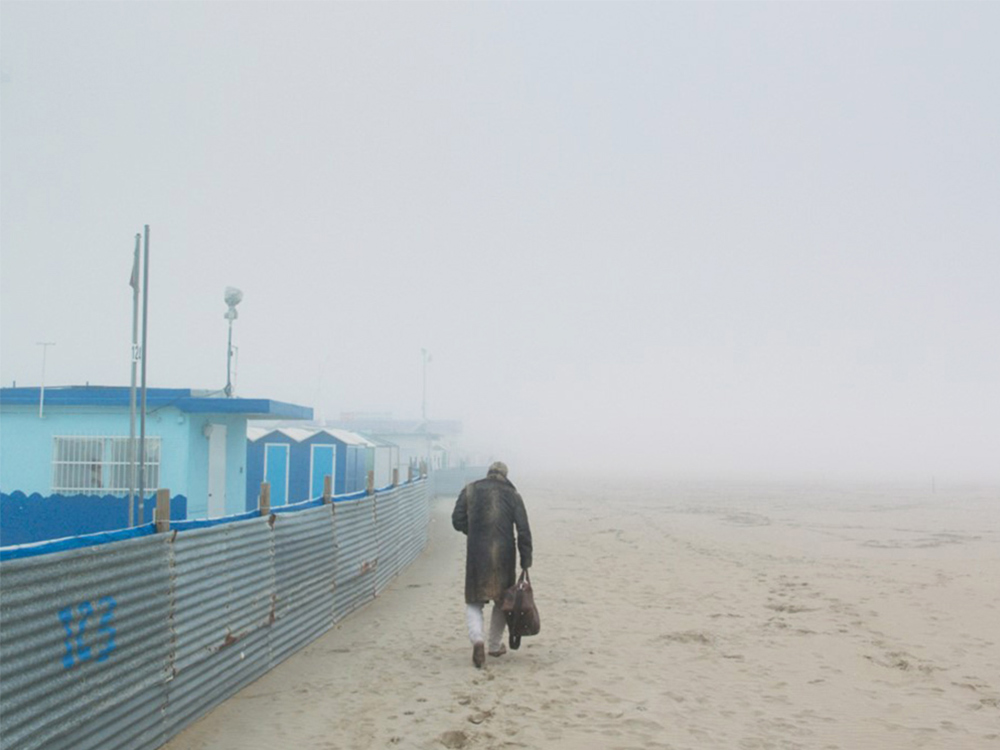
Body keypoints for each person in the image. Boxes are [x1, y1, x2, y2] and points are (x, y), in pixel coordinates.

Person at [452, 461, 532, 668]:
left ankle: (477, 641)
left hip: (477, 553)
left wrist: (474, 532)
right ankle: (495, 646)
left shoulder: (470, 489)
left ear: (487, 473)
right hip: (505, 554)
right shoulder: (513, 495)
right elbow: (523, 530)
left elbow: (456, 520)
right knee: (502, 600)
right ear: (505, 476)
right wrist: (526, 560)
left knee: (474, 602)